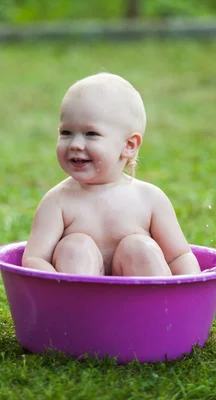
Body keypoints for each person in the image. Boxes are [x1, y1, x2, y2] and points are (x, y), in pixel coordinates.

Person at [22, 73, 200, 276]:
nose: (75, 144)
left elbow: (179, 257)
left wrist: (192, 291)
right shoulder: (57, 202)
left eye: (91, 134)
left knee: (139, 248)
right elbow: (34, 259)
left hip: (145, 305)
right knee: (75, 247)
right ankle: (80, 303)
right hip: (78, 303)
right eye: (66, 133)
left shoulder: (150, 200)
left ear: (128, 145)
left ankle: (156, 304)